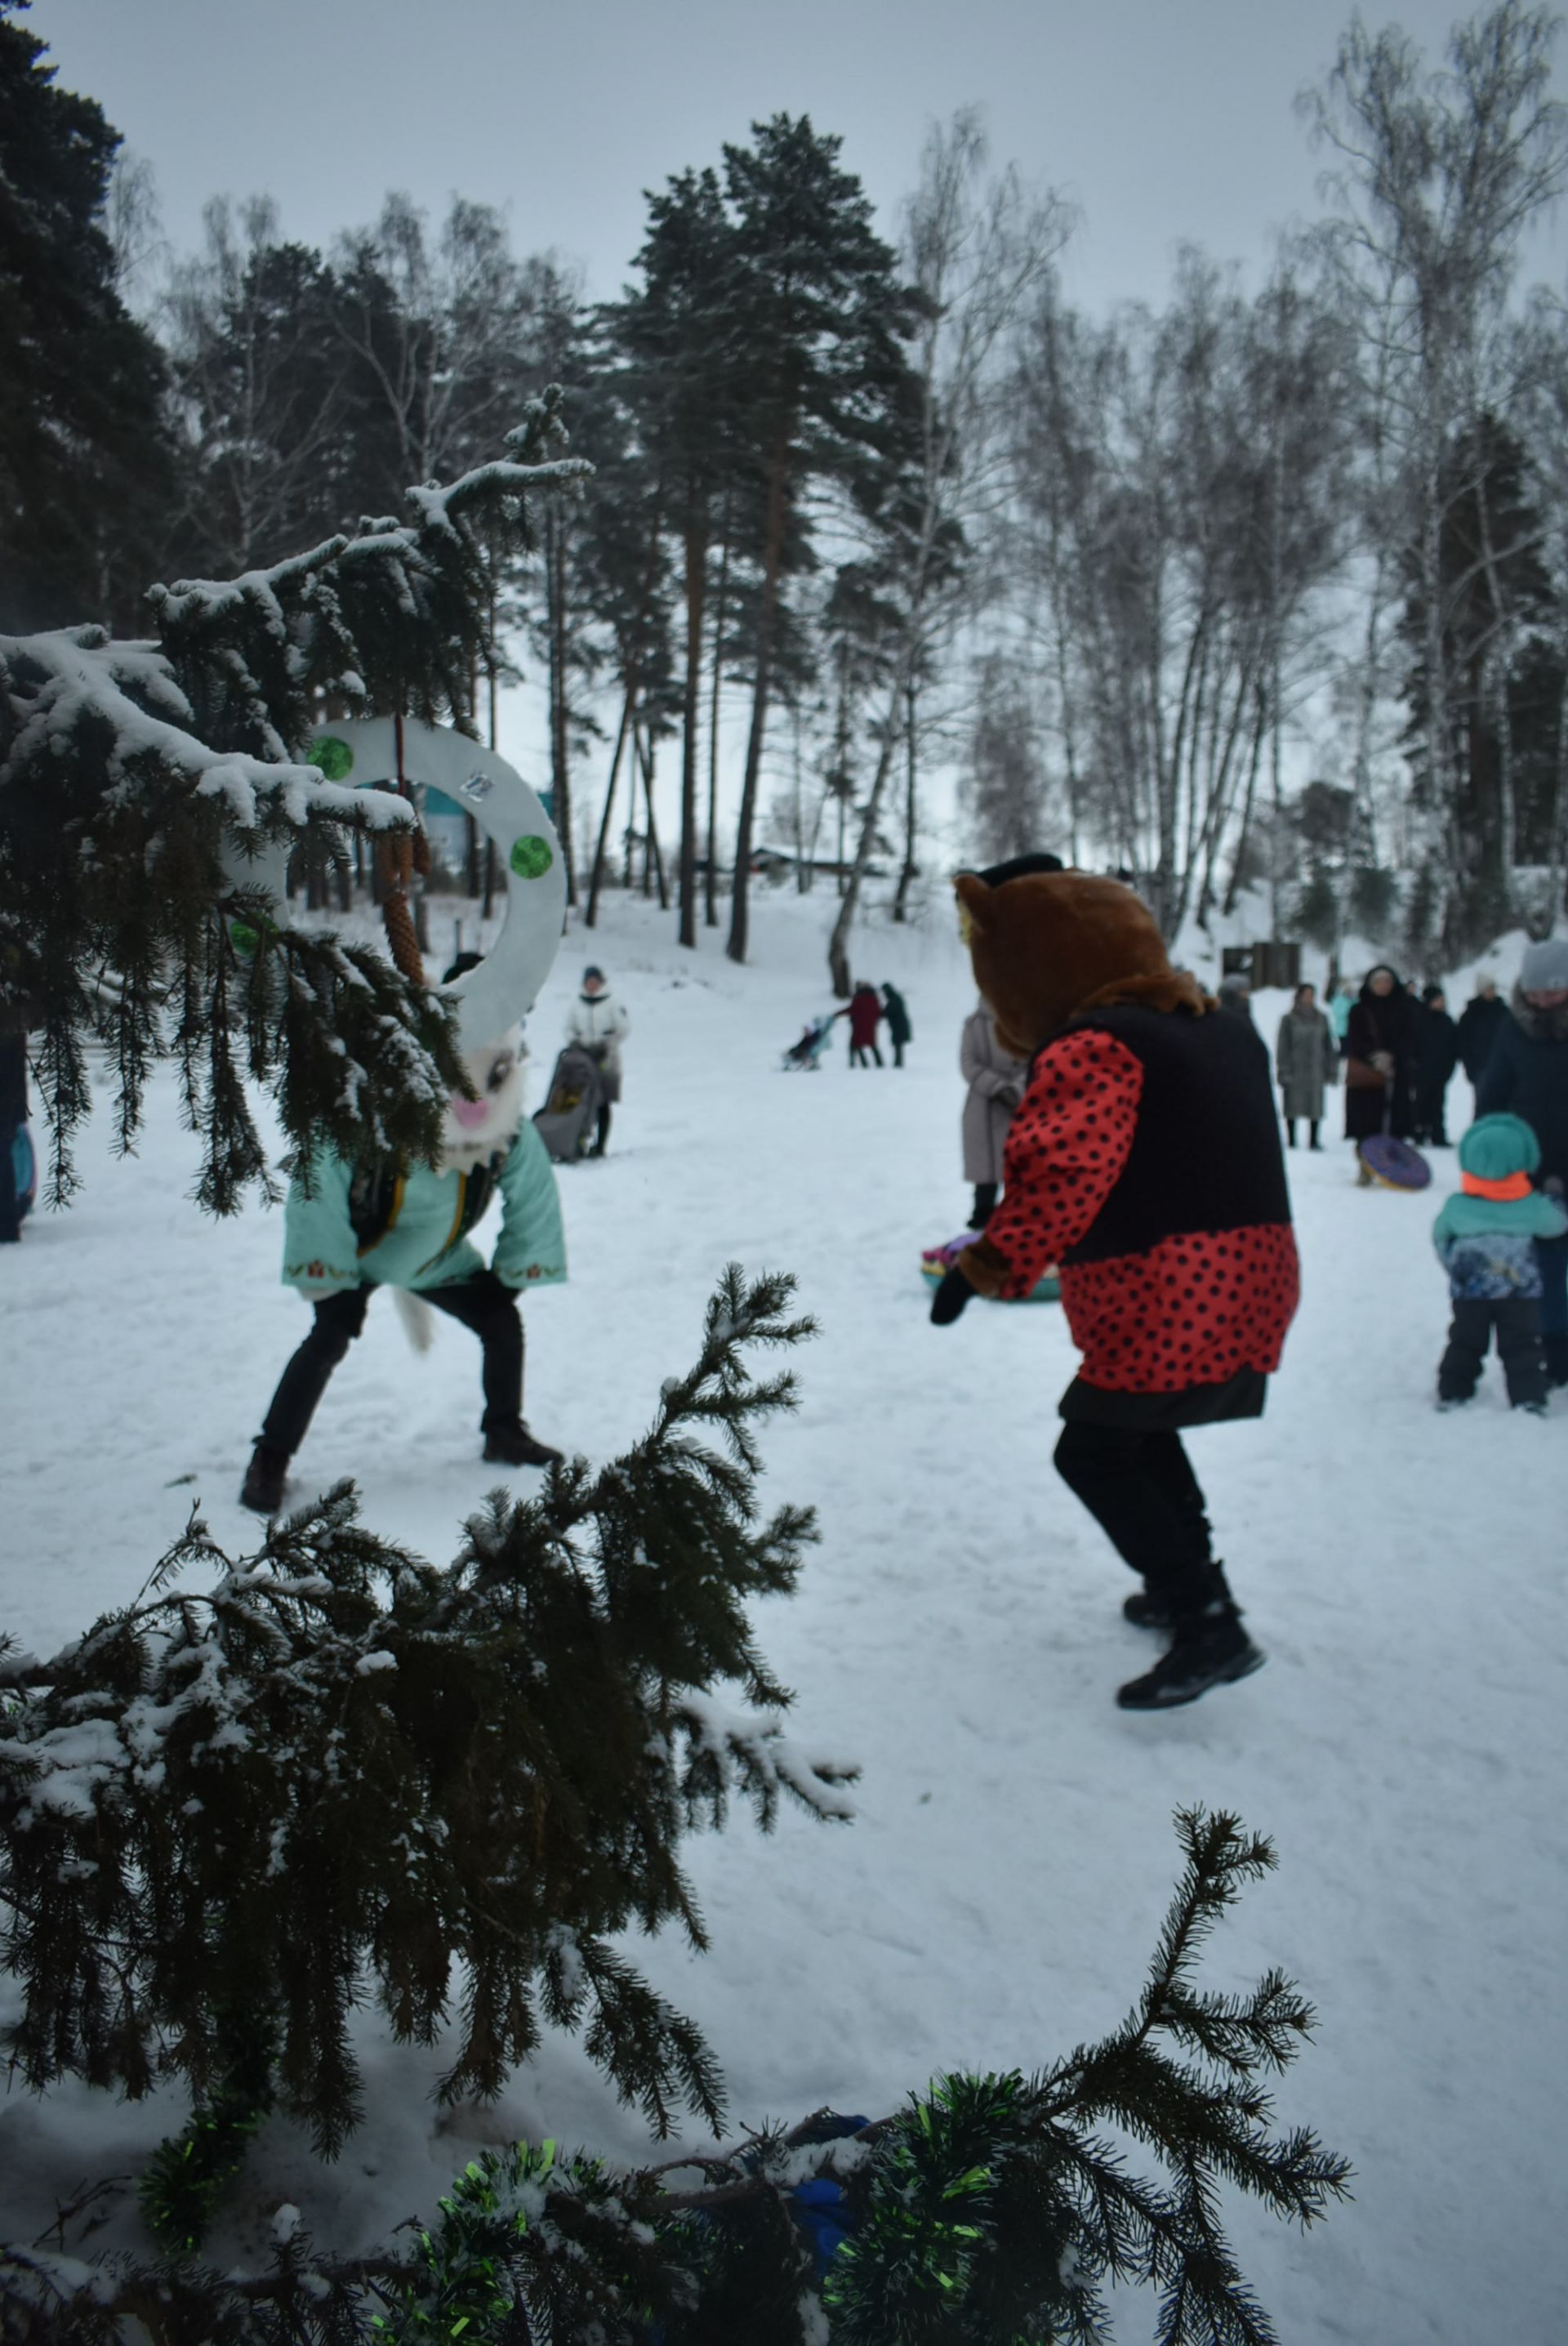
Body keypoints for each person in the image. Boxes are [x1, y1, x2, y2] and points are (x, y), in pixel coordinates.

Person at [930, 853, 1298, 1711]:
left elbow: (1060, 1172)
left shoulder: (1097, 1045)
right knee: (1132, 1428)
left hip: (1168, 1282)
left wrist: (986, 1264)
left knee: (1090, 1448)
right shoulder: (1217, 1022)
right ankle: (1190, 1586)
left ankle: (1210, 1622)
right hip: (1252, 1271)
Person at [240, 998, 566, 1516]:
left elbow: (533, 1196)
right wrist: (328, 1271)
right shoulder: (377, 1114)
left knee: (501, 1321)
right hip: (359, 1254)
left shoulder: (509, 1132)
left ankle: (504, 1432)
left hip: (437, 1259)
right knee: (328, 1338)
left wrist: (510, 1275)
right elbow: (319, 1173)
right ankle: (269, 1458)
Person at [1476, 937, 1568, 1386]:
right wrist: (1488, 1149)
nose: (1542, 1000)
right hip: (1527, 1166)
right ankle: (1554, 1347)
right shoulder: (1514, 1029)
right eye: (1535, 992)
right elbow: (1493, 1092)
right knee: (1543, 1261)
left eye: (1552, 991)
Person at [1432, 1114, 1566, 1412]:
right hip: (1520, 1293)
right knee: (1522, 1346)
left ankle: (1453, 1391)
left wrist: (1455, 1267)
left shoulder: (1457, 1206)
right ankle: (1528, 1398)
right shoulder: (1531, 1206)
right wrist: (1555, 1196)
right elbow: (1556, 1225)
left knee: (1464, 1342)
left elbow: (1440, 1236)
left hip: (1470, 1293)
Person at [960, 997, 1028, 1229]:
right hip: (983, 1106)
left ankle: (1016, 1220)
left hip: (1019, 1106)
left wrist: (1016, 1089)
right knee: (986, 1171)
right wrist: (997, 1087)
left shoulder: (1022, 1021)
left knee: (1018, 1169)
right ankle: (982, 1219)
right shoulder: (974, 1024)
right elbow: (968, 1063)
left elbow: (1034, 1060)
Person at [1344, 964, 1417, 1172]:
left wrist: (1394, 1056)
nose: (1384, 986)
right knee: (1367, 1121)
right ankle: (1366, 1165)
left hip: (1397, 1072)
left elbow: (1410, 1038)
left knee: (1396, 1119)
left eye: (1388, 982)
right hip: (1367, 1075)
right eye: (1379, 982)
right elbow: (1353, 1041)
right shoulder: (1359, 1010)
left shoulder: (1404, 1009)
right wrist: (1374, 1056)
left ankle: (1393, 1165)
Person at [566, 965, 630, 1156]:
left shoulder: (612, 1003)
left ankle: (600, 1144)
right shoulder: (577, 1003)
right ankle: (578, 1141)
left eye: (595, 982)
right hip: (583, 1059)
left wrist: (608, 1043)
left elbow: (624, 1028)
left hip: (606, 1060)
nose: (592, 986)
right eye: (589, 982)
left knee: (602, 1102)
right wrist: (575, 1042)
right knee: (580, 1101)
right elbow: (567, 1028)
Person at [1274, 982, 1339, 1149]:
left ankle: (1314, 1140)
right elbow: (1283, 1047)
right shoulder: (1289, 1019)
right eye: (1306, 994)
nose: (1309, 998)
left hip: (1315, 1069)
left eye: (1312, 995)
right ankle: (1292, 1140)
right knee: (1292, 1105)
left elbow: (1328, 1045)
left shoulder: (1321, 1018)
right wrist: (1283, 1070)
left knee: (1315, 1105)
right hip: (1296, 1069)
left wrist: (1331, 1069)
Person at [1412, 983, 1460, 1145]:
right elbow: (1412, 1045)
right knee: (1421, 1103)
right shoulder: (1418, 1019)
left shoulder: (1447, 1021)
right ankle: (1419, 1132)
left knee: (1438, 1104)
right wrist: (1414, 1065)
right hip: (1422, 1070)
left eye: (1442, 1000)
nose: (1441, 1003)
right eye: (1437, 1000)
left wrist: (1449, 1066)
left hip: (1441, 1071)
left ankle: (1437, 1134)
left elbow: (1454, 1046)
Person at [1456, 976, 1507, 1089]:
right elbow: (1463, 1044)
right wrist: (1470, 1068)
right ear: (1481, 991)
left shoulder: (1503, 1011)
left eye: (1493, 988)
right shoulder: (1470, 1015)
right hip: (1480, 1070)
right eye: (1489, 989)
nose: (1492, 991)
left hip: (1504, 1068)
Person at [847, 982, 884, 1068]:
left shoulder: (859, 997)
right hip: (870, 1026)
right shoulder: (873, 998)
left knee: (855, 1044)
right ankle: (878, 1063)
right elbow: (878, 1012)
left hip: (859, 1025)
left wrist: (837, 1014)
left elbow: (853, 1009)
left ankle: (858, 1063)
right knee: (872, 1045)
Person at [882, 982, 912, 1068]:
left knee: (898, 1044)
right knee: (897, 1044)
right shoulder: (895, 998)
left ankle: (898, 1064)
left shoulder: (895, 999)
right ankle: (898, 1063)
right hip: (898, 1025)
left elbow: (889, 1011)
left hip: (899, 1025)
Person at [1326, 977, 1357, 1055]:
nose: (1350, 993)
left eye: (1351, 991)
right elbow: (1338, 1013)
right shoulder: (1339, 1000)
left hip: (1353, 1029)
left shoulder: (1355, 1000)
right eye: (1348, 990)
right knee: (1344, 1050)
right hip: (1342, 1029)